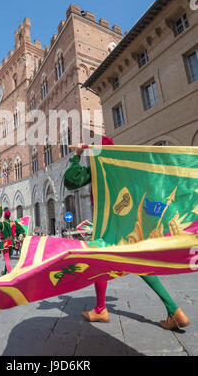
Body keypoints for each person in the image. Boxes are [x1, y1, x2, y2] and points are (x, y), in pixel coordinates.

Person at [64, 140, 190, 331]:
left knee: (100, 258)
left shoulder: (101, 169)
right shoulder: (130, 168)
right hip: (132, 225)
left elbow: (71, 180)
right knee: (137, 263)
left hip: (110, 226)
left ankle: (100, 309)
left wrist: (77, 156)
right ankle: (174, 309)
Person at [0, 210, 26, 275]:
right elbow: (21, 230)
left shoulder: (2, 223)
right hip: (11, 243)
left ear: (4, 216)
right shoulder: (14, 223)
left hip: (6, 243)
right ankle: (5, 272)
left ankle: (10, 273)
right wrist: (22, 234)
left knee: (6, 259)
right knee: (8, 259)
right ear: (9, 216)